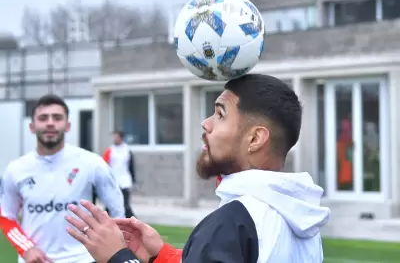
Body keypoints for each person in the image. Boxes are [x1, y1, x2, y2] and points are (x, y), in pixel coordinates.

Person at [65, 74, 331, 263]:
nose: (206, 123)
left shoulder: (234, 222)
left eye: (220, 114)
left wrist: (117, 257)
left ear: (255, 139)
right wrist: (162, 256)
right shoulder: (302, 218)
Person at [0, 94, 125, 263]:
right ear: (31, 126)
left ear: (67, 126)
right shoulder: (15, 170)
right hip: (35, 260)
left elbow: (118, 212)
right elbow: (7, 217)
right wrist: (26, 248)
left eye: (57, 118)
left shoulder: (92, 163)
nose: (50, 122)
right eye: (43, 118)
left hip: (84, 259)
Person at [102, 130, 136, 218]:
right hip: (113, 181)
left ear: (121, 138)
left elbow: (131, 166)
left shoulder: (127, 150)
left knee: (125, 205)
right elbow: (103, 165)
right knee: (109, 204)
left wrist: (133, 180)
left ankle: (134, 222)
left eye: (116, 136)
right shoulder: (110, 150)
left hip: (124, 180)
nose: (114, 138)